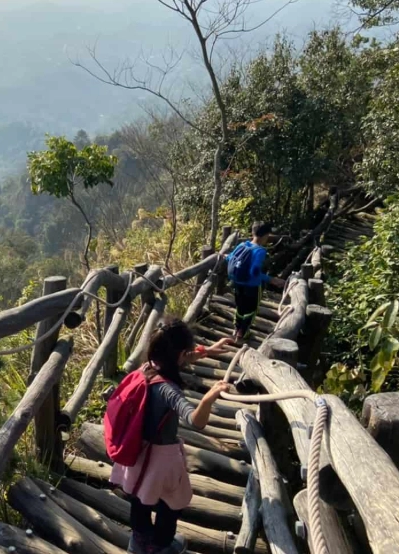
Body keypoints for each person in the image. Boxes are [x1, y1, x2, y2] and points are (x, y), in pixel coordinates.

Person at [110, 320, 232, 554]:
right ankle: (161, 546)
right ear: (179, 354)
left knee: (139, 499)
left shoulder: (147, 368)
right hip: (161, 460)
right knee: (172, 502)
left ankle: (139, 542)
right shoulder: (169, 390)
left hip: (135, 451)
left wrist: (210, 349)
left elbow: (185, 357)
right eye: (187, 353)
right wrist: (209, 397)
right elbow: (195, 421)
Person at [226, 221, 285, 343]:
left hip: (238, 283)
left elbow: (229, 258)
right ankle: (243, 332)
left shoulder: (242, 245)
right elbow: (255, 272)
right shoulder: (260, 251)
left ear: (252, 232)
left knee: (240, 307)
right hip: (252, 286)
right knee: (251, 310)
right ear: (265, 236)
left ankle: (236, 329)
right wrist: (271, 279)